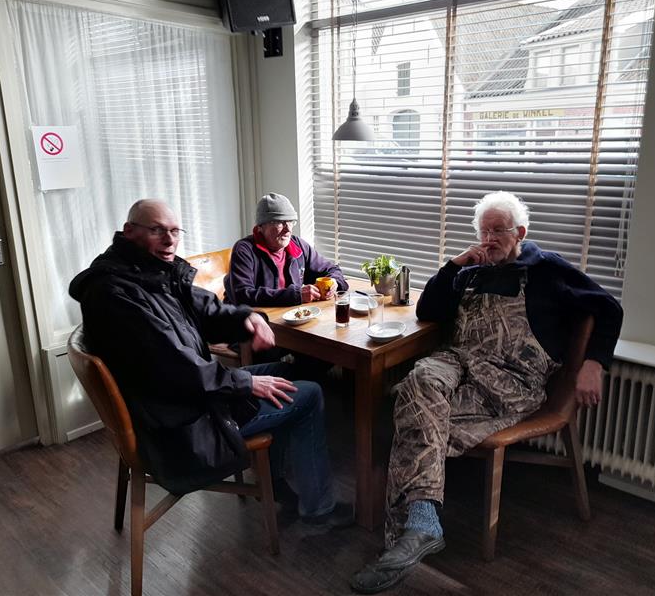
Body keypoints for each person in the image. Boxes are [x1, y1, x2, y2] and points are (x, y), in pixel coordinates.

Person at [350, 191, 623, 593]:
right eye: (484, 231)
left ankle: (409, 535)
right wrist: (455, 263)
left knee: (412, 411)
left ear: (520, 233)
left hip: (509, 381)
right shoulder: (472, 272)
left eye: (499, 231)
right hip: (457, 363)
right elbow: (428, 311)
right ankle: (422, 525)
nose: (490, 239)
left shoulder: (546, 268)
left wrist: (594, 364)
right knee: (420, 378)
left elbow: (609, 307)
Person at [69, 199, 352, 527]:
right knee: (309, 394)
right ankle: (319, 510)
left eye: (175, 231)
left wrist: (246, 319)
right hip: (182, 422)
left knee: (289, 372)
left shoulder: (147, 274)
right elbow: (174, 369)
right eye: (157, 230)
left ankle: (272, 482)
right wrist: (245, 383)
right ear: (129, 231)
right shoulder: (116, 293)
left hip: (184, 399)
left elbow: (204, 309)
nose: (169, 240)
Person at [224, 192, 348, 306]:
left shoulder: (298, 245)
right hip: (252, 319)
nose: (288, 229)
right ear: (261, 226)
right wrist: (295, 295)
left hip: (290, 316)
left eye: (290, 221)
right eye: (280, 222)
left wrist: (334, 282)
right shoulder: (244, 250)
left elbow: (333, 269)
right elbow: (242, 295)